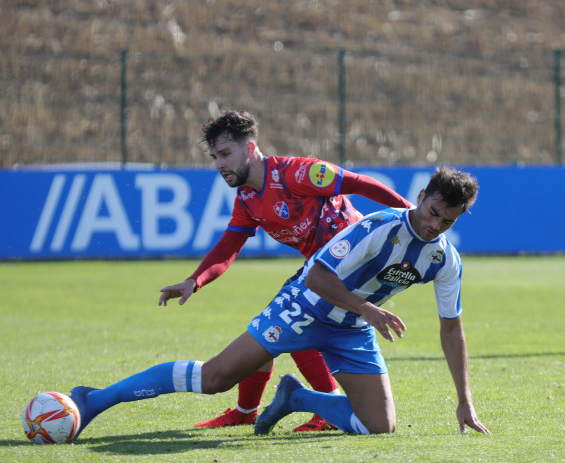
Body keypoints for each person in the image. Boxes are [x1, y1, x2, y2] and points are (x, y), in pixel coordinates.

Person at [69, 166, 489, 438]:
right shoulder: (378, 227)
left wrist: (465, 398)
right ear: (420, 195)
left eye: (446, 221)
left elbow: (452, 329)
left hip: (351, 327)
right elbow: (318, 275)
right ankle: (94, 399)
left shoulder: (444, 259)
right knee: (215, 378)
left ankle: (295, 397)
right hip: (304, 307)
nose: (435, 225)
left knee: (379, 426)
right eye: (433, 211)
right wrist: (366, 308)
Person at [157, 110, 412, 430]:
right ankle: (246, 411)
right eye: (215, 157)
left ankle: (324, 409)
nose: (219, 163)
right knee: (265, 329)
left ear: (249, 149)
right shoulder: (248, 198)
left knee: (291, 329)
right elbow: (228, 247)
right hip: (321, 268)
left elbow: (361, 183)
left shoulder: (299, 173)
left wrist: (410, 216)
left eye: (225, 154)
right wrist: (194, 281)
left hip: (353, 263)